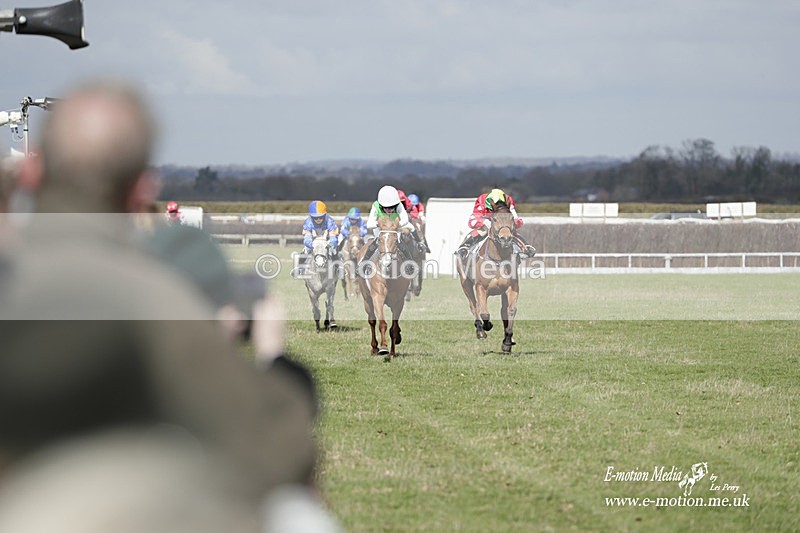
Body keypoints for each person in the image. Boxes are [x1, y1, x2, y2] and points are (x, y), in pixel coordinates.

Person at [0, 78, 337, 531]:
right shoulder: (153, 295)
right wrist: (275, 358)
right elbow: (275, 449)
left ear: (32, 174)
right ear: (142, 190)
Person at [359, 185, 429, 269]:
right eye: (386, 208)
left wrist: (396, 224)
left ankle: (410, 263)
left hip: (394, 227)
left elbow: (405, 219)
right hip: (381, 228)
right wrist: (379, 224)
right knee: (376, 241)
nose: (389, 210)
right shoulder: (376, 205)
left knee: (400, 242)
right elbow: (369, 224)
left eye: (392, 207)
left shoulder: (399, 204)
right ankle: (363, 263)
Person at [455, 188, 536, 259]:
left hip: (503, 221)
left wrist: (513, 222)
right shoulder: (481, 200)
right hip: (486, 221)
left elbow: (517, 220)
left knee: (508, 230)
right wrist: (484, 222)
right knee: (483, 230)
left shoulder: (508, 200)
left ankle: (526, 247)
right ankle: (465, 247)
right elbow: (472, 220)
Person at [294, 200, 339, 276]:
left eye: (321, 217)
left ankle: (338, 269)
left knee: (334, 251)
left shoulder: (330, 221)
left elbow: (333, 239)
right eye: (315, 218)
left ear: (325, 215)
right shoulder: (308, 222)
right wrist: (311, 245)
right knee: (305, 251)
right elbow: (307, 238)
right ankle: (299, 268)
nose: (318, 220)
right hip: (313, 243)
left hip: (327, 242)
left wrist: (328, 246)